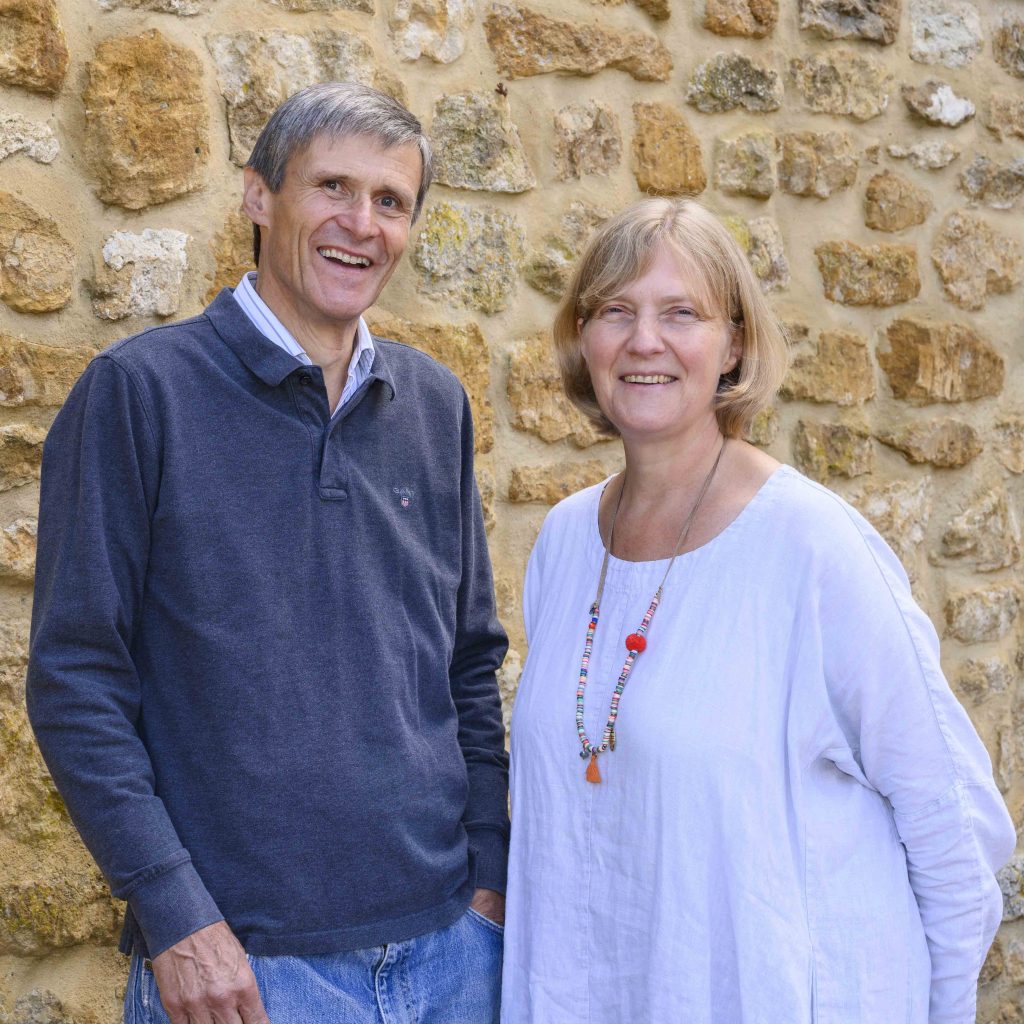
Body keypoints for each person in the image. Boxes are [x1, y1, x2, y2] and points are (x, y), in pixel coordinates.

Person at [27, 81, 509, 1024]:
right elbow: (75, 680)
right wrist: (175, 917)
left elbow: (469, 664)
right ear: (257, 196)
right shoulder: (138, 394)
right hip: (247, 973)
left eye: (390, 201)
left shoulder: (435, 404)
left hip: (453, 954)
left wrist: (489, 882)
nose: (359, 224)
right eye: (331, 186)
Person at [501, 197, 1015, 1024]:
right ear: (583, 338)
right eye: (617, 312)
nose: (644, 341)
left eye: (682, 313)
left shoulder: (811, 548)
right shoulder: (565, 543)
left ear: (734, 341)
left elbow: (952, 826)